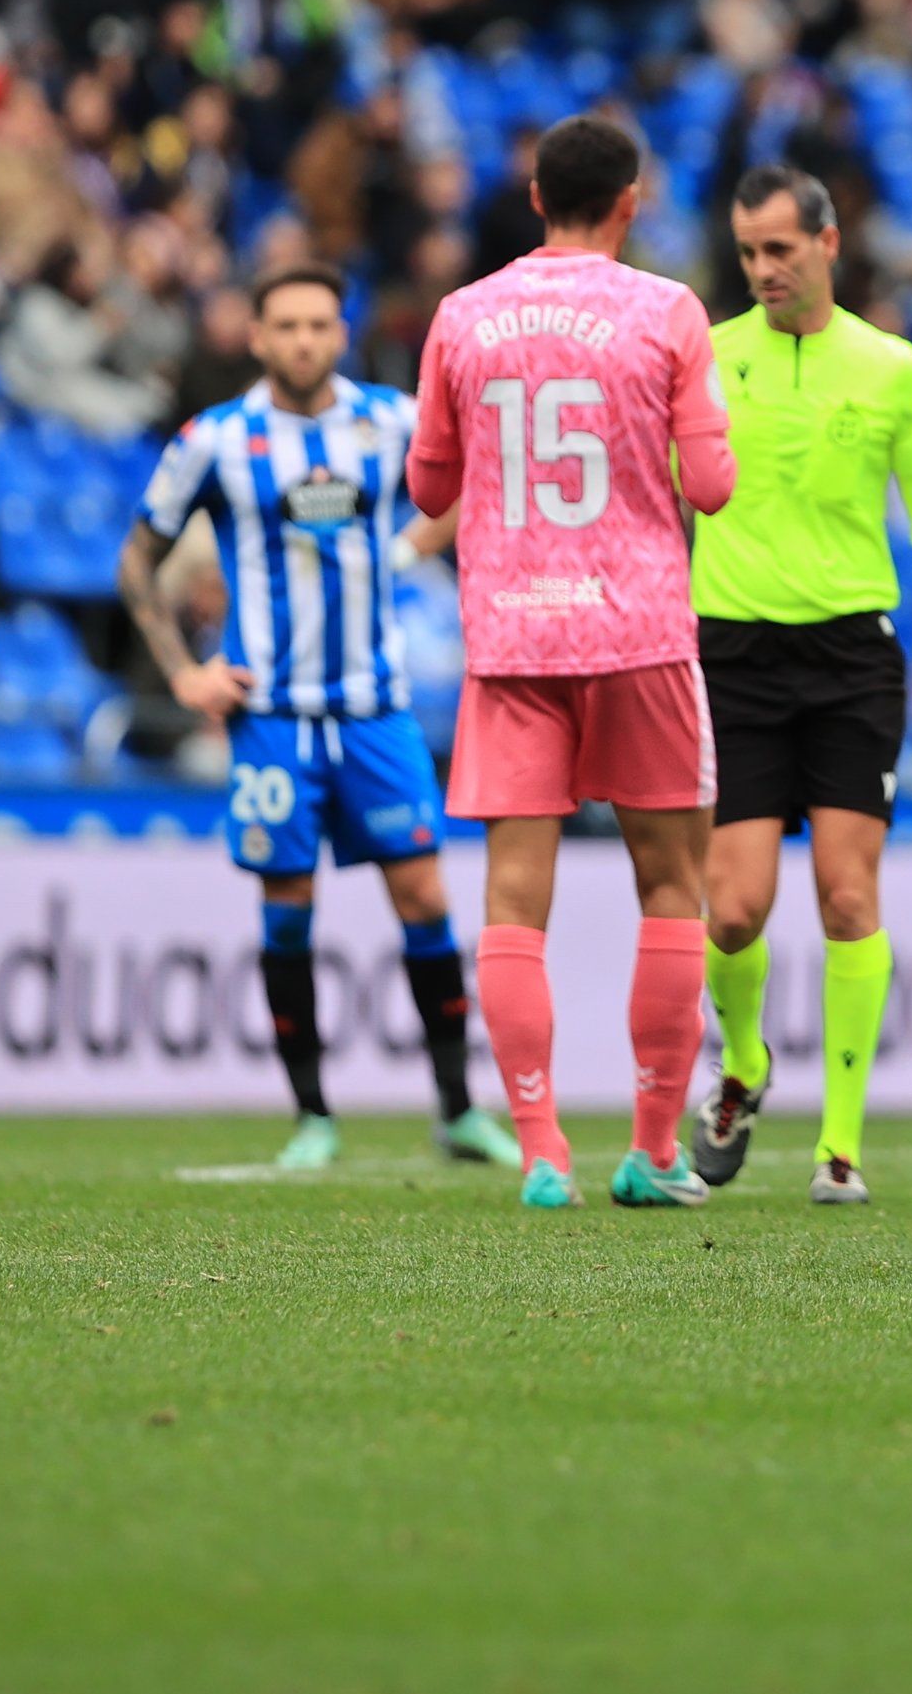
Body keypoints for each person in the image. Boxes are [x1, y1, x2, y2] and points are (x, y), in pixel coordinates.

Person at [405, 114, 733, 1212]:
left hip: (512, 634)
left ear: (536, 197)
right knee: (671, 887)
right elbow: (714, 486)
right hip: (639, 629)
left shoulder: (463, 316)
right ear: (630, 203)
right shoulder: (669, 310)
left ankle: (544, 1150)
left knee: (511, 901)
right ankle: (651, 1148)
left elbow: (428, 491)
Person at [118, 264, 512, 1175]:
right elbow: (138, 560)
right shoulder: (216, 440)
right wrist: (185, 673)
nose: (303, 339)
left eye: (319, 324)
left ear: (342, 332)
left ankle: (457, 1108)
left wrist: (409, 548)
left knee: (423, 897)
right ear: (257, 336)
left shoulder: (392, 418)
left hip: (376, 707)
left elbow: (469, 481)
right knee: (287, 907)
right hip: (271, 718)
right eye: (285, 324)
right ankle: (312, 1117)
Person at [684, 165, 912, 1207]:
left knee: (848, 895)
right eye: (748, 251)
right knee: (732, 910)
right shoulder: (707, 360)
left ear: (826, 240)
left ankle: (839, 1143)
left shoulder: (892, 367)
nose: (762, 269)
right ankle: (744, 1067)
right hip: (731, 657)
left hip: (853, 657)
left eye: (779, 249)